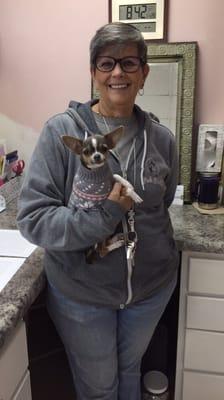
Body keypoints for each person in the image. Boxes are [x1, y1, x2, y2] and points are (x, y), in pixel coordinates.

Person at [17, 22, 179, 400]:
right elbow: (34, 219)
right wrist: (106, 215)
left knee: (129, 370)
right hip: (82, 295)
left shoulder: (162, 138)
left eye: (129, 63)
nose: (118, 73)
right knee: (99, 387)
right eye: (106, 64)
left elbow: (163, 202)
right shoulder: (61, 134)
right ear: (93, 73)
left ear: (144, 73)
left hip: (150, 290)